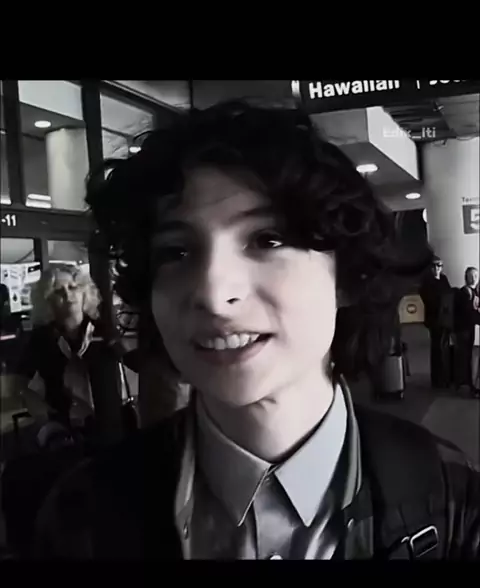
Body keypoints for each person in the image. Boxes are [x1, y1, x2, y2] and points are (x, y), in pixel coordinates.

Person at [33, 101, 480, 560]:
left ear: (345, 275)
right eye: (176, 251)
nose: (213, 293)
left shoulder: (447, 496)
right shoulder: (86, 516)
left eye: (267, 239)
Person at [13, 264, 130, 448]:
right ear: (47, 300)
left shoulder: (104, 332)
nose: (68, 295)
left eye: (73, 287)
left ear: (84, 292)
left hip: (113, 428)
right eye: (58, 291)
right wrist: (46, 423)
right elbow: (21, 386)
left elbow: (133, 365)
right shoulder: (41, 339)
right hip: (64, 434)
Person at [419, 257, 453, 388]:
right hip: (434, 319)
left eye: (439, 266)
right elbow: (428, 299)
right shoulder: (427, 282)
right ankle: (437, 379)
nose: (436, 269)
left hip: (445, 318)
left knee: (444, 347)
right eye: (434, 266)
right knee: (437, 348)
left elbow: (449, 294)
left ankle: (445, 376)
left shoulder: (443, 279)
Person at [453, 266, 480, 397]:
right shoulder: (465, 293)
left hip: (469, 329)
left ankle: (466, 383)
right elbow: (468, 313)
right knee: (466, 357)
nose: (474, 278)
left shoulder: (474, 292)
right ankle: (468, 384)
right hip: (464, 329)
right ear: (466, 278)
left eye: (476, 276)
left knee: (468, 356)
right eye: (471, 276)